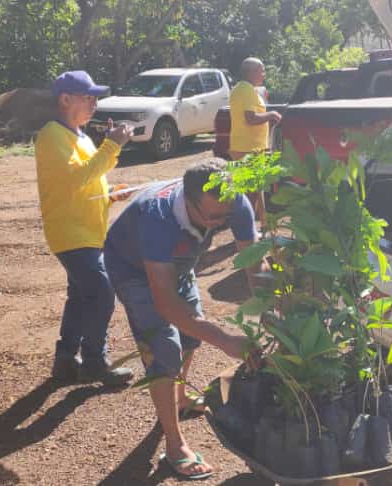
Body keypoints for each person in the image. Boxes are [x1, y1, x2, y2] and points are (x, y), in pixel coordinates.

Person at [103, 159, 260, 480]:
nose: (219, 224)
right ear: (188, 200)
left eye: (226, 216)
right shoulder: (157, 217)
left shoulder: (233, 201)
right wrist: (227, 341)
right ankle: (174, 446)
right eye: (212, 217)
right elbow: (166, 304)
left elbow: (255, 264)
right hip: (133, 268)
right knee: (163, 350)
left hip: (179, 263)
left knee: (193, 334)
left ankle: (181, 398)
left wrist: (275, 304)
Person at [35, 70, 135, 385]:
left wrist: (110, 194)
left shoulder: (79, 136)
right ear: (65, 99)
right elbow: (75, 178)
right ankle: (94, 360)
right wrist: (112, 146)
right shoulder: (52, 134)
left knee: (80, 296)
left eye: (95, 98)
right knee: (102, 293)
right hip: (71, 232)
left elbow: (84, 183)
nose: (94, 103)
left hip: (88, 231)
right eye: (88, 97)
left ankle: (65, 362)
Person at [229, 57, 281, 224]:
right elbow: (250, 118)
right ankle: (246, 230)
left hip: (252, 147)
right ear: (251, 72)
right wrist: (271, 115)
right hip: (247, 148)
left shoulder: (246, 89)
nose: (264, 74)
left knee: (257, 189)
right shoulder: (245, 90)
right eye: (262, 70)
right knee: (250, 191)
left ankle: (262, 225)